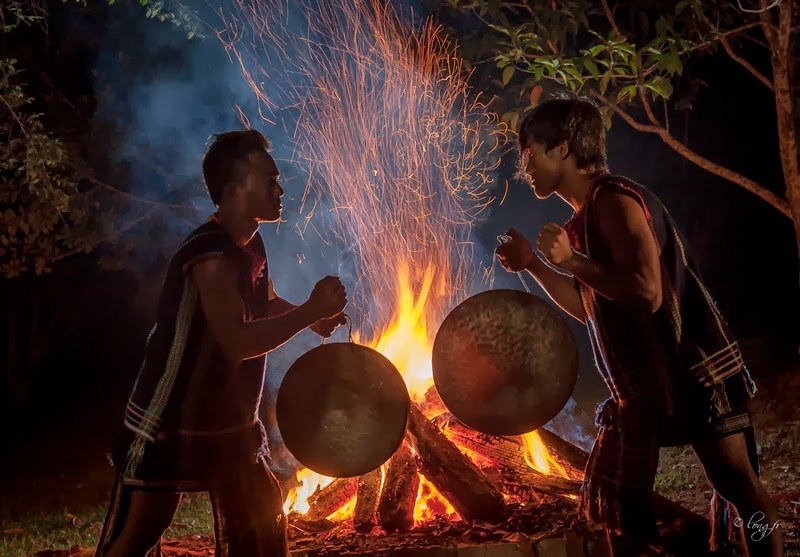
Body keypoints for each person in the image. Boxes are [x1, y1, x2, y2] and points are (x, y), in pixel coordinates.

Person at [496, 96, 783, 557]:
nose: (524, 166)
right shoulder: (585, 218)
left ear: (564, 149)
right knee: (622, 507)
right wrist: (534, 264)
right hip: (647, 385)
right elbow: (590, 304)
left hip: (694, 371)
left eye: (530, 151)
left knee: (740, 490)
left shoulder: (614, 200)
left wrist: (574, 261)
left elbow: (645, 291)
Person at [96, 129, 349, 557]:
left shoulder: (250, 244)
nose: (279, 188)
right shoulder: (210, 256)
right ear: (233, 190)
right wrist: (307, 310)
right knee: (138, 538)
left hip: (227, 421)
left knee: (261, 518)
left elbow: (263, 302)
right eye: (268, 180)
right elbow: (236, 341)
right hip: (173, 419)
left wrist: (314, 322)